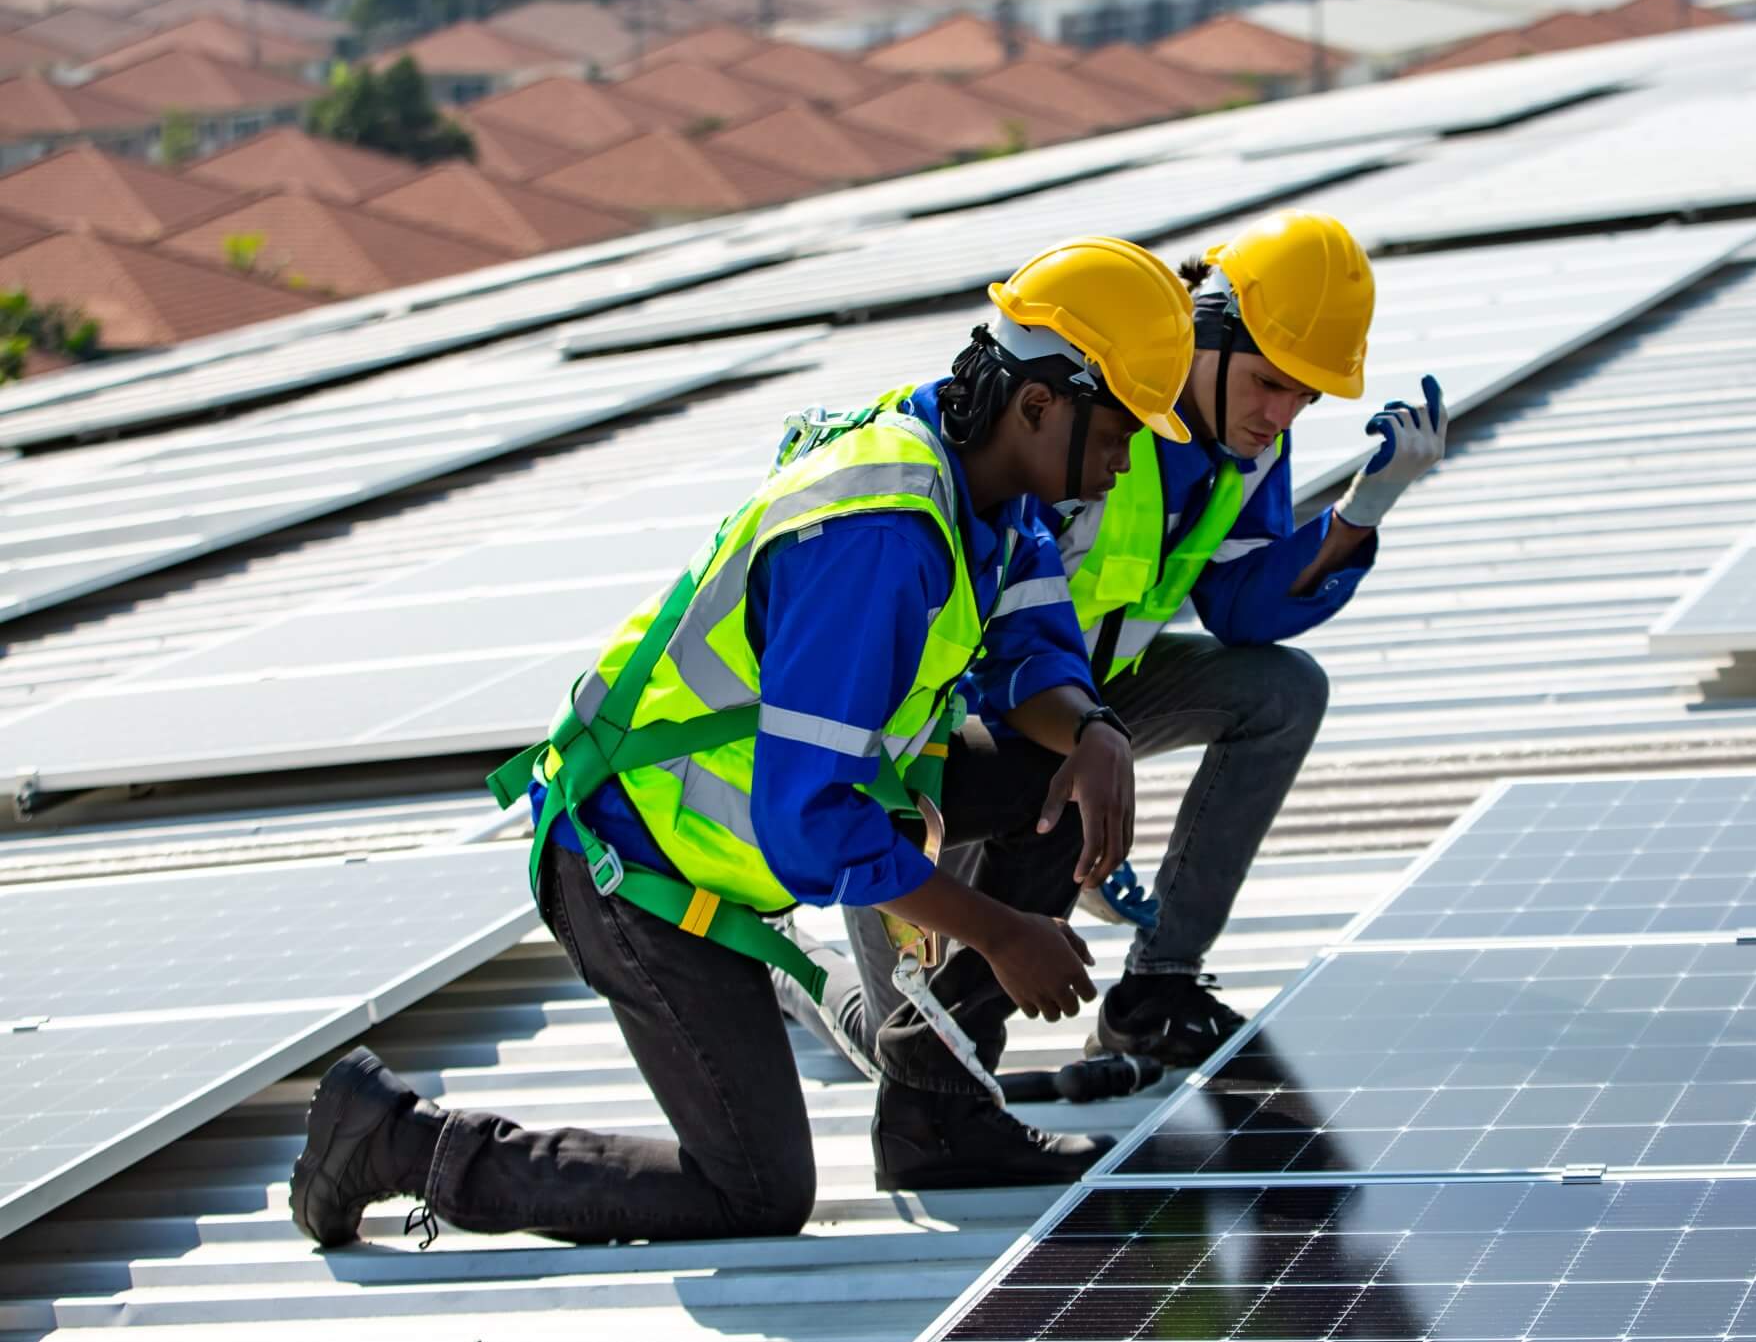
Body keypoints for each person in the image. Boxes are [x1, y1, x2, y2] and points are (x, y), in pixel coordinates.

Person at [288, 236, 1200, 1246]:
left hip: (743, 836)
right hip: (636, 872)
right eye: (1119, 431)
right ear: (1039, 405)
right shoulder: (880, 533)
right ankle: (397, 1141)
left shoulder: (985, 477)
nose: (1125, 466)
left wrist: (1097, 732)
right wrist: (995, 930)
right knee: (754, 1194)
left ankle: (938, 1119)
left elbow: (1032, 646)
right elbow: (809, 822)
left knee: (1050, 773)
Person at [815, 207, 1444, 1076]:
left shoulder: (1247, 440)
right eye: (1270, 382)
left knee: (1283, 690)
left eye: (1305, 394)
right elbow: (976, 632)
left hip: (1083, 699)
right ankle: (802, 970)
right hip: (950, 723)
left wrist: (1357, 516)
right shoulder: (1084, 404)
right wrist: (1065, 800)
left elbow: (1241, 607)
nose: (1283, 412)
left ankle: (1156, 994)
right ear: (1207, 336)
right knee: (905, 1048)